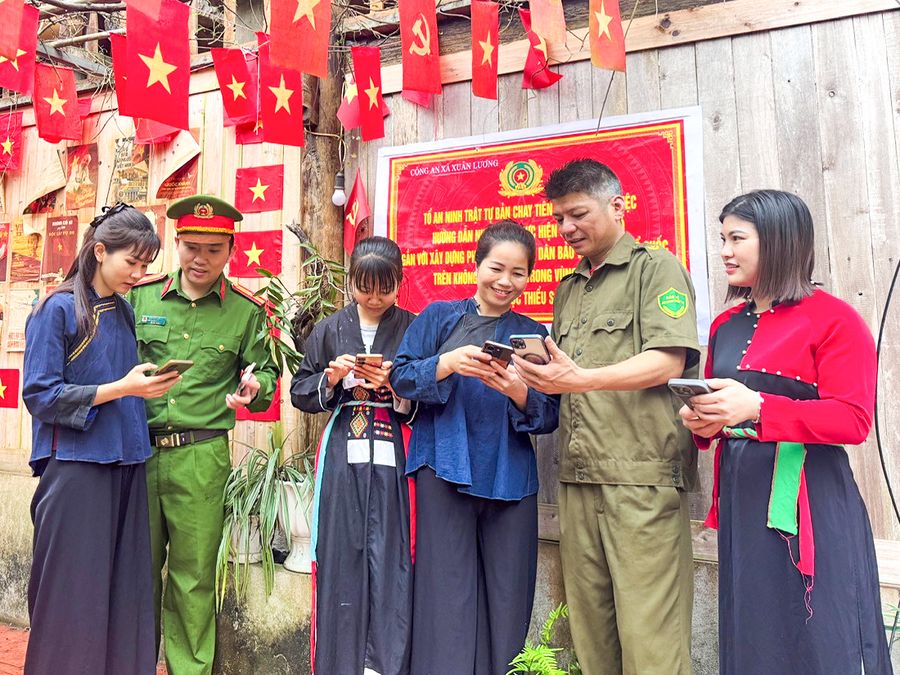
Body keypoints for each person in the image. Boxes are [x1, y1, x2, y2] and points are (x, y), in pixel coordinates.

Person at [681, 190, 892, 674]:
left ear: (778, 241)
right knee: (753, 627)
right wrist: (704, 420)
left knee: (816, 633)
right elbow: (721, 413)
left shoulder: (835, 319)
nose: (726, 251)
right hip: (742, 495)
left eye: (738, 238)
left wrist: (757, 406)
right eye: (722, 239)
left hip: (810, 501)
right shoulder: (725, 325)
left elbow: (853, 420)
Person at [514, 159, 700, 674]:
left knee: (652, 645)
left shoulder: (655, 268)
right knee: (594, 642)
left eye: (577, 214)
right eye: (558, 220)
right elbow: (564, 375)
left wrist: (579, 379)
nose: (566, 229)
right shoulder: (569, 288)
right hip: (577, 481)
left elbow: (669, 360)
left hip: (640, 482)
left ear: (617, 205)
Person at [391, 220, 559, 675]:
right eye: (497, 268)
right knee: (445, 589)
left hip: (510, 473)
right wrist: (445, 364)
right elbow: (400, 378)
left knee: (509, 592)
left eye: (519, 273)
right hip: (443, 467)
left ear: (530, 277)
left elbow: (549, 414)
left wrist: (518, 391)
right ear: (477, 264)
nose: (505, 282)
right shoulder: (439, 318)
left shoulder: (533, 334)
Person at [23, 203, 180, 675]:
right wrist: (122, 388)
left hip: (127, 463)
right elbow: (40, 395)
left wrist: (144, 385)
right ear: (99, 251)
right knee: (72, 600)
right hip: (75, 470)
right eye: (131, 262)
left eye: (146, 264)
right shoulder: (57, 309)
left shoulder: (124, 312)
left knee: (124, 597)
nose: (139, 273)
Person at [128, 195, 280, 675]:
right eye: (192, 246)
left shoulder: (247, 311)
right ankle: (130, 662)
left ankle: (189, 669)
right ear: (177, 244)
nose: (201, 259)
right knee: (135, 572)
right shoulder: (141, 296)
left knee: (192, 578)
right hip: (136, 452)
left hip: (201, 456)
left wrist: (255, 388)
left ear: (231, 250)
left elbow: (268, 380)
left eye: (213, 249)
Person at [290, 236, 417, 675]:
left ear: (400, 283)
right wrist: (335, 380)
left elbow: (432, 390)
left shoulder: (414, 326)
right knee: (341, 549)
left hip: (396, 449)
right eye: (365, 287)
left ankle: (385, 664)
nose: (376, 297)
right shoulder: (328, 328)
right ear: (351, 284)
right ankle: (339, 662)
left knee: (394, 551)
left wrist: (396, 387)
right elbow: (300, 390)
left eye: (386, 288)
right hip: (344, 447)